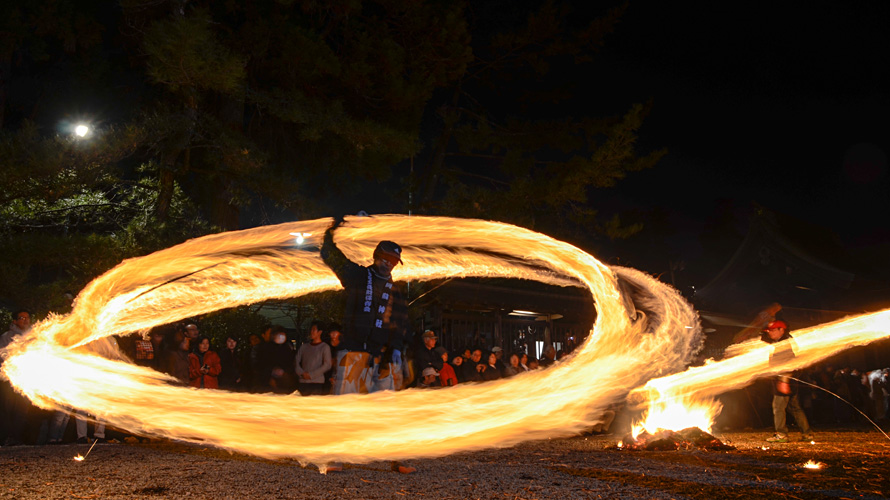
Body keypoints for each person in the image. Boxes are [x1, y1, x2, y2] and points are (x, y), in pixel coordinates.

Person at [321, 222, 414, 474]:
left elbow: (400, 325)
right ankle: (336, 457)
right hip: (353, 351)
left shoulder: (396, 291)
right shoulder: (359, 276)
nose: (388, 264)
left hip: (381, 355)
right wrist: (333, 230)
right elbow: (330, 256)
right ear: (375, 257)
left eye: (393, 261)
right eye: (384, 258)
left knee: (388, 408)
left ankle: (398, 458)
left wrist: (395, 352)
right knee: (345, 405)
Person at [762, 320, 814, 442]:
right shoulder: (781, 342)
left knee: (778, 407)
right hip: (788, 380)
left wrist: (784, 381)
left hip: (784, 380)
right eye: (769, 330)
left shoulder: (784, 343)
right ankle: (807, 433)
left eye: (773, 330)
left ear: (782, 330)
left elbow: (789, 363)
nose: (770, 332)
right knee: (794, 407)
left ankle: (781, 434)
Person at [1, 310, 32, 446]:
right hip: (9, 379)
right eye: (21, 318)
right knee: (8, 410)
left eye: (27, 318)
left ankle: (17, 437)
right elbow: (3, 355)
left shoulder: (33, 336)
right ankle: (7, 437)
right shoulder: (7, 336)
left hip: (25, 379)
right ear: (14, 321)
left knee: (22, 410)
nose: (25, 320)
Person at [295, 321, 332, 396]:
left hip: (316, 382)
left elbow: (327, 365)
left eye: (314, 330)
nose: (311, 332)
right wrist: (302, 373)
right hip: (303, 381)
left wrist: (311, 375)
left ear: (320, 332)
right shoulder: (304, 347)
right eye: (311, 330)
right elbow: (296, 362)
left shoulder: (324, 347)